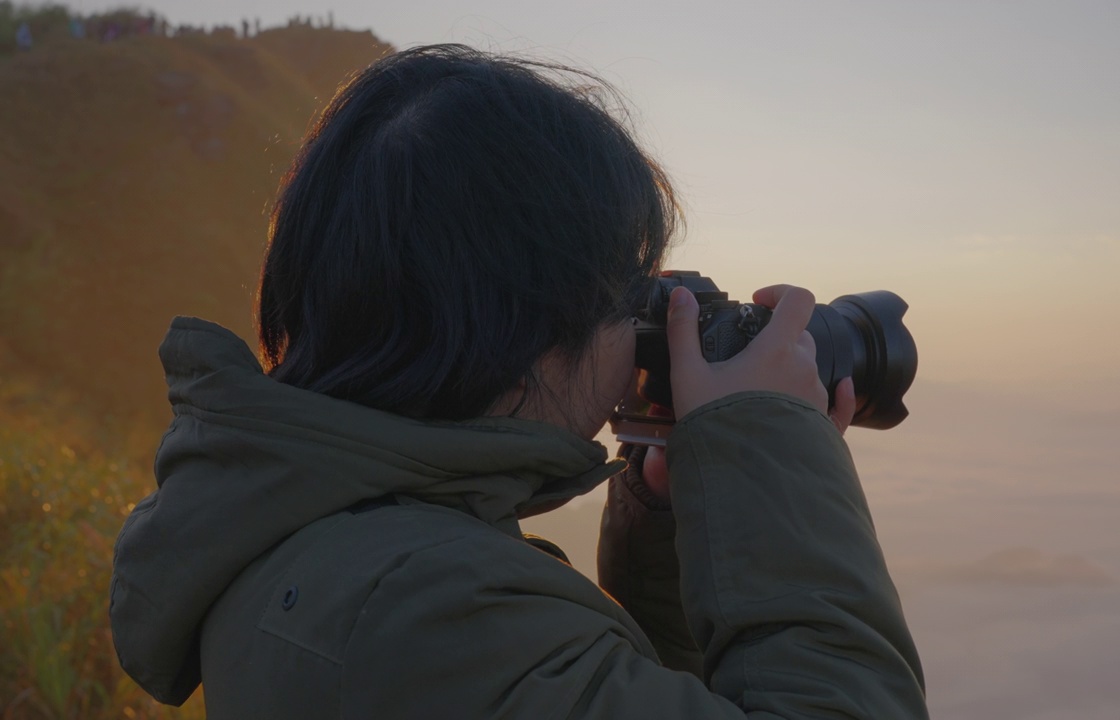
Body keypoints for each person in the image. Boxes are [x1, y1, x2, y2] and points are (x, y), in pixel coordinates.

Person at [109, 44, 928, 719]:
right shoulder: (427, 608)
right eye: (630, 293)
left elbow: (614, 691)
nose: (643, 332)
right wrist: (769, 448)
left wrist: (670, 520)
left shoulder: (315, 531)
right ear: (525, 324)